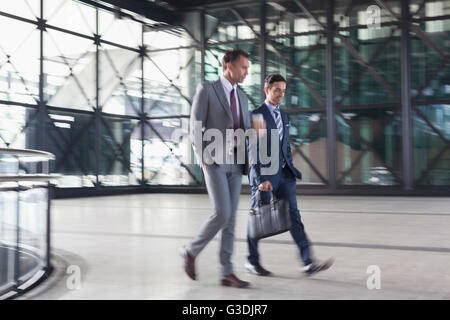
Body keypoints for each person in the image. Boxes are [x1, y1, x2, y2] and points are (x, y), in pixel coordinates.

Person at [246, 74, 333, 277]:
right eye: (277, 90)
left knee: (294, 216)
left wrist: (290, 168)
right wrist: (260, 180)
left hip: (284, 175)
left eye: (284, 91)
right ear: (267, 90)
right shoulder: (257, 115)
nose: (281, 95)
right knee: (258, 218)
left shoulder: (284, 116)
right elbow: (253, 148)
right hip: (264, 177)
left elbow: (285, 145)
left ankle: (307, 262)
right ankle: (252, 261)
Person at [179, 49, 251, 288]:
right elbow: (195, 125)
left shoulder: (242, 97)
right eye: (243, 67)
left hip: (236, 162)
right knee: (221, 213)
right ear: (228, 66)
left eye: (248, 67)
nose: (246, 72)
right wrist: (201, 155)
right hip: (214, 161)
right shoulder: (207, 90)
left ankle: (226, 271)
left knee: (230, 221)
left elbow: (244, 130)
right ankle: (190, 251)